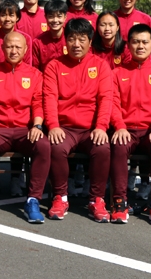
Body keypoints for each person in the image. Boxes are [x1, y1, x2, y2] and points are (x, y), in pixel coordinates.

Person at [0, 32, 50, 223]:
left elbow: (38, 103)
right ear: (2, 48)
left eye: (18, 47)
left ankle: (33, 200)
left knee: (43, 145)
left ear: (25, 50)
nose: (14, 50)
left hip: (25, 130)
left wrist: (38, 126)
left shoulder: (34, 74)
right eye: (10, 46)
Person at [44, 19, 113, 223]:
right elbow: (49, 98)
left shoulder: (100, 66)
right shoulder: (54, 66)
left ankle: (97, 199)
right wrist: (53, 125)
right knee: (55, 146)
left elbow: (106, 98)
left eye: (82, 39)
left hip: (91, 128)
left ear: (90, 42)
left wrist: (101, 127)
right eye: (72, 39)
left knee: (102, 148)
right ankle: (60, 197)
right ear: (65, 41)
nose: (76, 44)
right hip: (64, 127)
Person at [109, 24, 151, 226]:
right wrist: (119, 126)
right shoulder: (117, 72)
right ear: (128, 45)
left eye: (145, 42)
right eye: (135, 42)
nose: (140, 46)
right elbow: (112, 102)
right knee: (118, 147)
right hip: (126, 129)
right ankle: (119, 201)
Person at [0, 0, 32, 67]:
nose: (7, 19)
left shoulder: (25, 38)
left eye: (11, 15)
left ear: (17, 17)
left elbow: (28, 65)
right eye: (3, 15)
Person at [32, 0, 68, 72]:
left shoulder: (71, 38)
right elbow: (35, 69)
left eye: (59, 16)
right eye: (51, 16)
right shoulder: (38, 42)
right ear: (45, 17)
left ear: (65, 17)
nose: (55, 20)